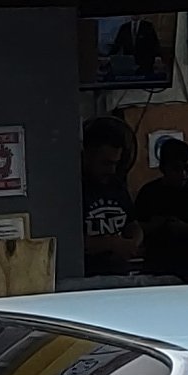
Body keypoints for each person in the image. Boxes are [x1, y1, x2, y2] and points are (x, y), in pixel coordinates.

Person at [131, 135, 188, 284]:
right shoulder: (150, 192)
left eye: (186, 168)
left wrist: (186, 228)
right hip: (156, 267)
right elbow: (134, 227)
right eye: (175, 168)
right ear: (163, 168)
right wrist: (155, 225)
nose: (182, 174)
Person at [80, 112, 138, 277]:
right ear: (87, 155)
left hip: (119, 275)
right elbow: (69, 242)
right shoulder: (73, 191)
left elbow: (132, 223)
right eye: (105, 163)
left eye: (116, 163)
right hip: (87, 278)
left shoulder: (116, 185)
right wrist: (111, 243)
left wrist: (132, 242)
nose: (111, 170)